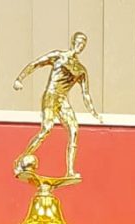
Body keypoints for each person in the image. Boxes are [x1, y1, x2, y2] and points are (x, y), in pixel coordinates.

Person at [12, 30, 102, 179]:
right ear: (73, 42)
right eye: (79, 42)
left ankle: (70, 171)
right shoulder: (58, 56)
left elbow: (85, 93)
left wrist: (94, 113)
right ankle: (23, 158)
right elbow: (36, 64)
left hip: (62, 100)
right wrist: (19, 79)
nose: (81, 46)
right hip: (51, 96)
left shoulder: (81, 70)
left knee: (74, 130)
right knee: (47, 129)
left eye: (84, 44)